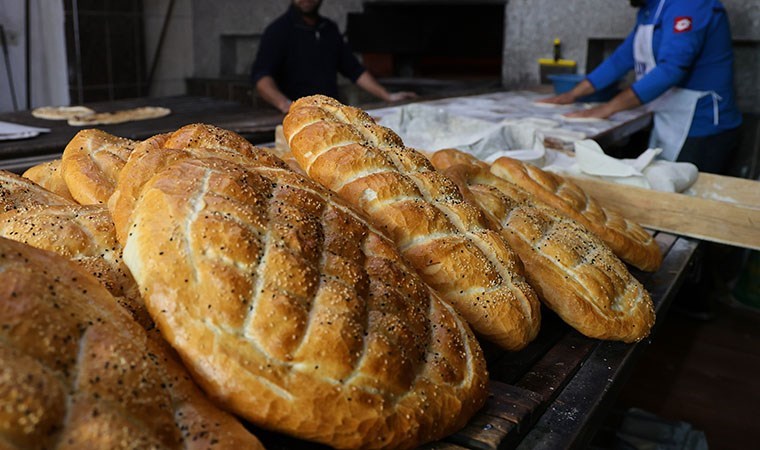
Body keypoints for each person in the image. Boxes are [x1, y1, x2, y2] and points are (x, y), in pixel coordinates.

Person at [541, 0, 742, 174]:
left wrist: (607, 109)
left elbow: (672, 69)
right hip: (669, 117)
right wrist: (570, 96)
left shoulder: (688, 4)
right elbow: (619, 60)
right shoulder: (649, 10)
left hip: (703, 127)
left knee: (683, 203)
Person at [251, 0, 416, 114]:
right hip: (297, 117)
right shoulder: (278, 30)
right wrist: (286, 105)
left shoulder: (329, 29)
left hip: (331, 114)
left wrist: (387, 96)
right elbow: (262, 78)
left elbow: (354, 70)